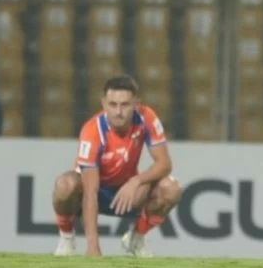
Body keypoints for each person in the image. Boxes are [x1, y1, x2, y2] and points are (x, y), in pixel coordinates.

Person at [51, 75, 182, 258]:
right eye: (112, 104)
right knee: (65, 185)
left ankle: (136, 238)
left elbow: (165, 164)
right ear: (103, 103)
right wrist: (93, 248)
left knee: (172, 189)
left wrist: (136, 181)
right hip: (93, 193)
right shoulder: (92, 131)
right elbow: (90, 193)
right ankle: (67, 238)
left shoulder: (146, 118)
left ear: (136, 103)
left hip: (126, 193)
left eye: (125, 105)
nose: (118, 112)